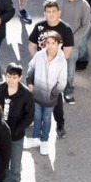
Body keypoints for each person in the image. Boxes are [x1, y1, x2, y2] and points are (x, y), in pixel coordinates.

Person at [23, 29, 67, 157]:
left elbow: (62, 82)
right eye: (48, 42)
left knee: (47, 119)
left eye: (53, 43)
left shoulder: (62, 61)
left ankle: (44, 140)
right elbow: (31, 68)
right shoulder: (39, 55)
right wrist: (30, 82)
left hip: (50, 98)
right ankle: (35, 138)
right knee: (36, 116)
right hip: (36, 95)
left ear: (59, 44)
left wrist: (53, 95)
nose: (50, 45)